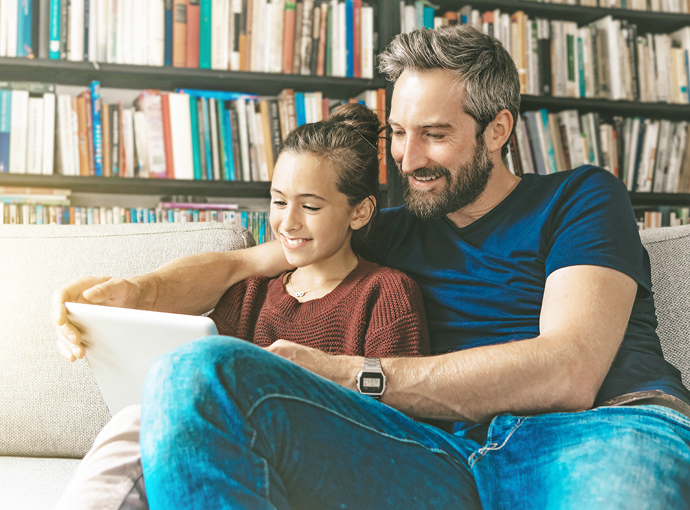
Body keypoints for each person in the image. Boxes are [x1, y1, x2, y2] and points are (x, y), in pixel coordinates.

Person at [54, 25, 690, 509]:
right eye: (398, 133)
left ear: (498, 130)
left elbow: (570, 370)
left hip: (600, 427)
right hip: (435, 451)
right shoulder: (382, 226)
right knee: (197, 373)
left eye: (435, 134)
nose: (408, 159)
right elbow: (236, 262)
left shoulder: (579, 197)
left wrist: (349, 374)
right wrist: (133, 292)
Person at [54, 103, 431, 509]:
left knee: (138, 422)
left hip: (329, 467)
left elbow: (400, 434)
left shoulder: (386, 293)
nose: (288, 223)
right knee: (151, 420)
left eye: (311, 206)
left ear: (359, 212)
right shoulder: (250, 294)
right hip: (236, 463)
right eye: (279, 201)